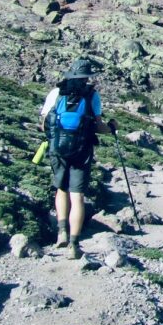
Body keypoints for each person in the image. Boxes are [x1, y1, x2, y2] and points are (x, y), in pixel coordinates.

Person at [39, 59, 115, 259]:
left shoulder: (56, 93)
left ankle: (61, 231)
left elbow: (45, 122)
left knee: (61, 190)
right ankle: (74, 244)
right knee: (77, 196)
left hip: (57, 149)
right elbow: (99, 126)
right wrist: (112, 127)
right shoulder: (92, 95)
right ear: (87, 77)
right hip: (82, 151)